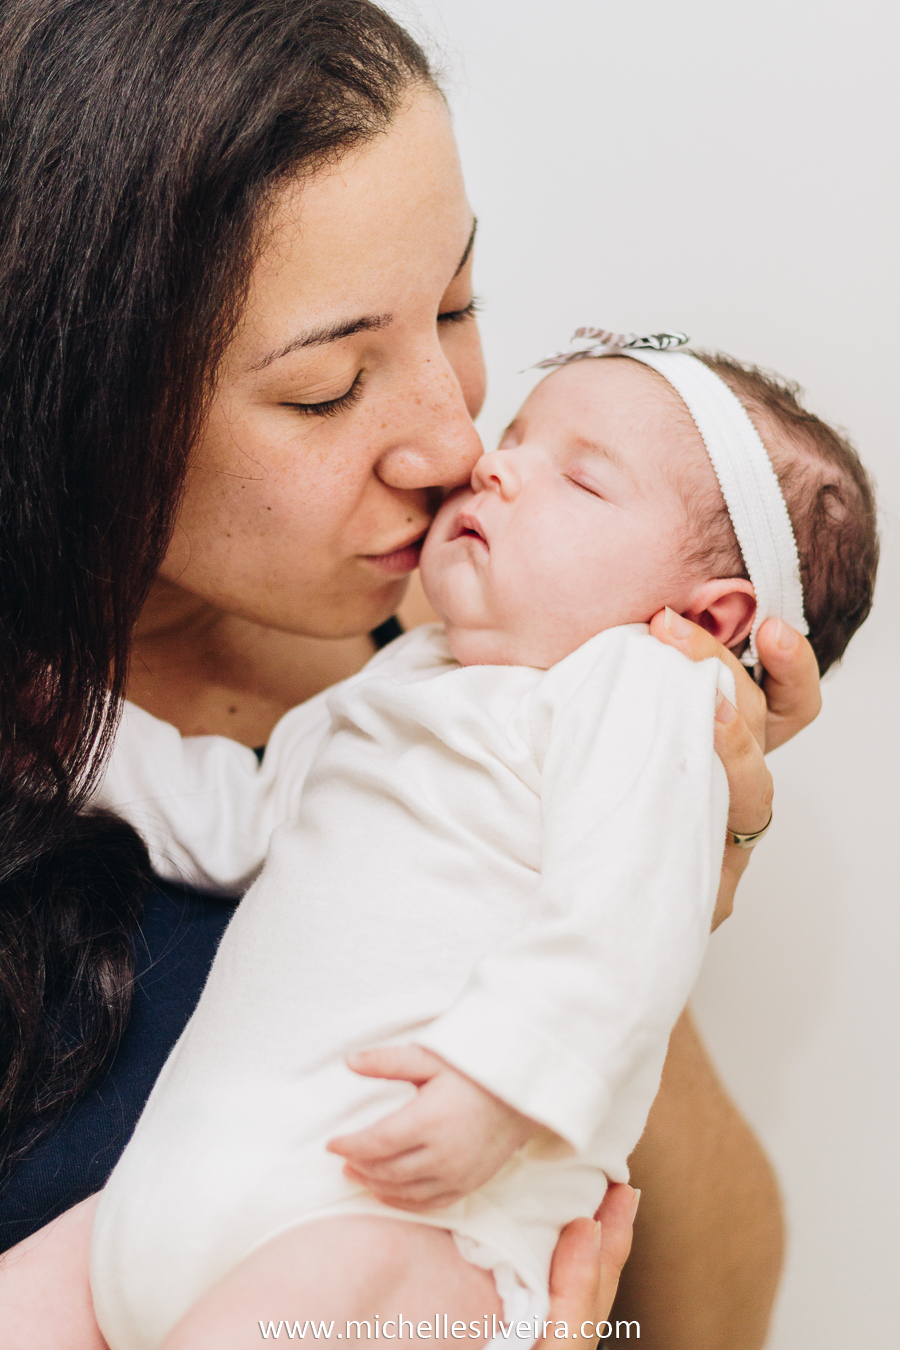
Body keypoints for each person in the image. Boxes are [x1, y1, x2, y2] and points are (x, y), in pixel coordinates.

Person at [0, 4, 825, 1349]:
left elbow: (714, 1321)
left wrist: (645, 895)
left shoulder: (460, 645)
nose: (455, 441)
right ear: (72, 399)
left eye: (457, 303)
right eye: (330, 388)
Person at [80, 337, 875, 1350]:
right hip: (179, 1207)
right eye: (519, 439)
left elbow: (623, 920)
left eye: (581, 480)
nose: (486, 462)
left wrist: (510, 1083)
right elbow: (240, 814)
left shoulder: (642, 688)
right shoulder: (413, 672)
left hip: (405, 1231)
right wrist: (81, 740)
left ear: (702, 617)